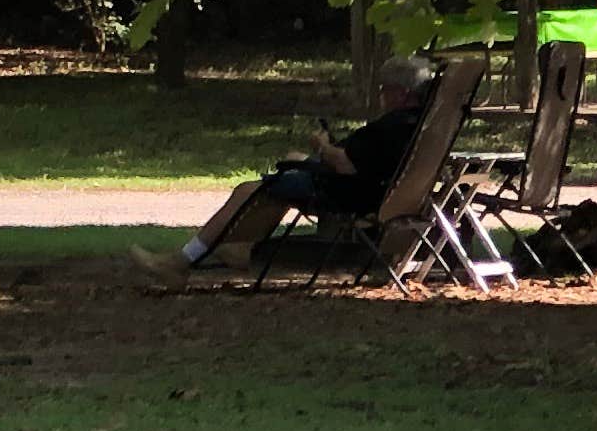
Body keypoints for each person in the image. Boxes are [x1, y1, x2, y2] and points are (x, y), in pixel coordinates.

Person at [143, 62, 439, 286]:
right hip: (374, 190)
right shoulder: (419, 127)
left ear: (402, 93)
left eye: (384, 90)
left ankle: (183, 260)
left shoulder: (389, 127)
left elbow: (347, 165)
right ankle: (241, 248)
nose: (381, 96)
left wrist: (321, 147)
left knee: (251, 190)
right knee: (280, 180)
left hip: (345, 193)